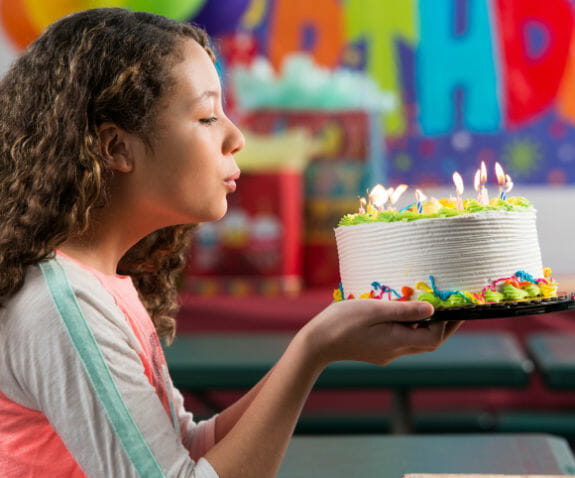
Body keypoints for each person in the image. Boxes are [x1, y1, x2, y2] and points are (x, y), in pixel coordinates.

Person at [0, 8, 461, 478]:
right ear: (116, 148)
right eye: (206, 116)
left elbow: (187, 446)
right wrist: (313, 350)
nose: (236, 137)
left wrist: (319, 348)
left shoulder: (96, 284)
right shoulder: (64, 306)